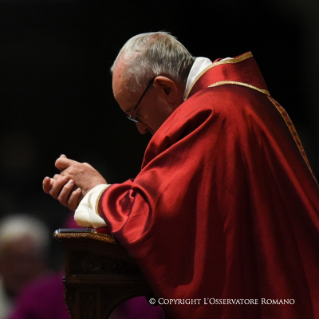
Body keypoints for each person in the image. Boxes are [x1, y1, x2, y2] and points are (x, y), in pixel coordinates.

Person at [43, 32, 319, 319]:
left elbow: (160, 215)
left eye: (135, 114)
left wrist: (99, 194)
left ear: (164, 88)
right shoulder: (235, 99)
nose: (139, 129)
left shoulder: (210, 113)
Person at [0, 214, 49, 319]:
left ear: (41, 262)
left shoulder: (56, 297)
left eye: (29, 260)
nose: (22, 269)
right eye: (14, 259)